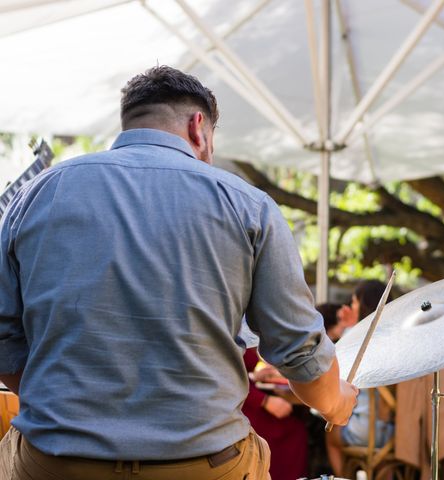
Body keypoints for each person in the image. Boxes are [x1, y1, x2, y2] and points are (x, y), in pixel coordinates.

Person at [0, 66, 357, 480]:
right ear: (198, 126)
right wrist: (337, 403)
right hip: (204, 466)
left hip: (55, 463)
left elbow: (4, 338)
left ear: (130, 121)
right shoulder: (249, 205)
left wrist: (71, 410)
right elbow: (299, 351)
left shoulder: (39, 194)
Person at [326, 279, 394, 477]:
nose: (350, 306)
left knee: (330, 437)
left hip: (363, 430)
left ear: (363, 305)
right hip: (394, 431)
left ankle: (344, 477)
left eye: (354, 302)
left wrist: (348, 328)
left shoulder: (356, 341)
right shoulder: (394, 340)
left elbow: (335, 375)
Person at [242, 347, 308, 480]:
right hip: (245, 408)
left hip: (251, 397)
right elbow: (227, 377)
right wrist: (264, 401)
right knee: (294, 433)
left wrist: (254, 376)